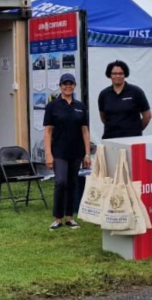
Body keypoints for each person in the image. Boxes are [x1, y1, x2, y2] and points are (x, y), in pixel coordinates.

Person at [43, 73, 91, 231]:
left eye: (70, 84)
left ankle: (70, 217)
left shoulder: (80, 106)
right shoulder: (53, 106)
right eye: (65, 84)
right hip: (59, 151)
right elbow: (48, 131)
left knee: (72, 183)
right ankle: (58, 218)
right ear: (60, 86)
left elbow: (85, 131)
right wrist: (48, 154)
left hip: (76, 151)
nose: (68, 86)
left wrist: (87, 154)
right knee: (61, 182)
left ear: (75, 86)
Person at [98, 60, 152, 139]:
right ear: (110, 75)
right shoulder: (104, 94)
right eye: (114, 73)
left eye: (120, 73)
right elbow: (103, 117)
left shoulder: (136, 92)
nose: (117, 76)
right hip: (110, 138)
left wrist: (136, 130)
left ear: (125, 74)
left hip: (132, 139)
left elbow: (147, 116)